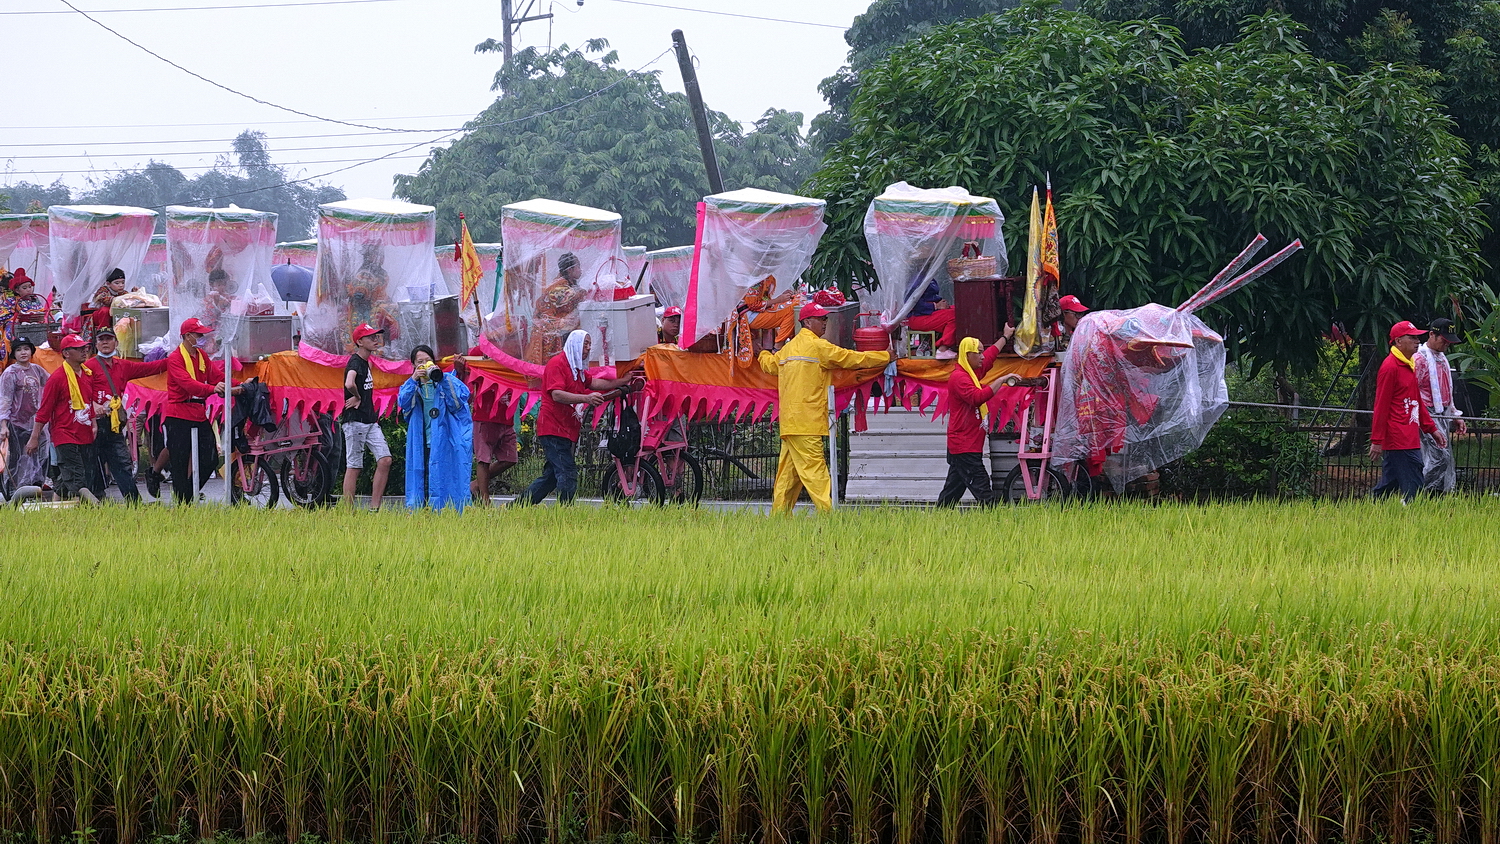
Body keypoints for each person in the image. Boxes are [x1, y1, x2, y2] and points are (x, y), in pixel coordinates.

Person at [759, 302, 894, 513]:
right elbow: (851, 359)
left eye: (825, 319)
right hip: (808, 422)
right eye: (821, 319)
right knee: (815, 471)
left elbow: (770, 364)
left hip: (790, 422)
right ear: (807, 322)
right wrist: (884, 357)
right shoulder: (818, 347)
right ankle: (828, 514)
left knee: (788, 475)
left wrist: (762, 353)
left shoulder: (789, 348)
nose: (825, 323)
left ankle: (779, 518)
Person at [517, 329, 637, 506]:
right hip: (553, 427)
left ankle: (519, 506)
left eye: (589, 344)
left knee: (551, 477)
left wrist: (622, 382)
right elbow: (557, 394)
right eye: (585, 344)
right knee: (567, 471)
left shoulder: (578, 370)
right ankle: (566, 510)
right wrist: (586, 398)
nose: (588, 348)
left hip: (565, 428)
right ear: (574, 344)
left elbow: (595, 383)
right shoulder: (557, 364)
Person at [164, 317, 242, 504]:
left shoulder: (200, 356)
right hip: (178, 415)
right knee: (180, 463)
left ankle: (188, 495)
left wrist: (240, 385)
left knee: (210, 458)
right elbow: (188, 385)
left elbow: (215, 376)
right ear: (188, 336)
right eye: (199, 334)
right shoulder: (175, 358)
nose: (202, 338)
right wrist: (212, 389)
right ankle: (183, 501)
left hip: (198, 413)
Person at [87, 328, 168, 502]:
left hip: (114, 423)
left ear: (116, 342)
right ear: (96, 344)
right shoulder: (89, 367)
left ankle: (134, 502)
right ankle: (95, 500)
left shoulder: (122, 365)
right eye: (101, 340)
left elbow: (150, 368)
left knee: (122, 462)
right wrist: (94, 406)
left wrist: (175, 360)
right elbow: (82, 392)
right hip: (95, 422)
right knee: (94, 463)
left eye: (109, 339)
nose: (105, 343)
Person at [1370, 320, 1445, 503]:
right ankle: (1412, 516)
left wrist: (1431, 429)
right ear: (1398, 342)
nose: (1417, 341)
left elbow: (1416, 401)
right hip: (1399, 438)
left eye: (1417, 337)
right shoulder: (1390, 367)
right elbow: (1381, 405)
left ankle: (1371, 511)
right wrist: (1377, 440)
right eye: (1411, 337)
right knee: (1414, 483)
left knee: (1391, 482)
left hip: (1408, 435)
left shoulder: (1408, 365)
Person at [937, 333, 1011, 507]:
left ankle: (938, 519)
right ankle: (997, 524)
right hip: (964, 444)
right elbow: (977, 397)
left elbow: (990, 357)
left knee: (952, 491)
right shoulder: (960, 378)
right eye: (979, 352)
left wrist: (1006, 337)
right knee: (982, 488)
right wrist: (1000, 380)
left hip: (965, 444)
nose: (982, 356)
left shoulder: (971, 373)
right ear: (968, 354)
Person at [27, 334, 102, 501]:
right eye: (79, 348)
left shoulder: (88, 374)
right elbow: (44, 411)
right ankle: (92, 508)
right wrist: (34, 438)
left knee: (68, 476)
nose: (84, 351)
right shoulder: (57, 378)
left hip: (84, 432)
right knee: (77, 478)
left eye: (85, 348)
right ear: (66, 353)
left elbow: (88, 402)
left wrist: (94, 423)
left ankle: (56, 512)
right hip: (65, 434)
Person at [398, 345, 473, 511]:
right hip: (422, 439)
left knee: (445, 476)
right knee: (422, 475)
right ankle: (421, 510)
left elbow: (457, 403)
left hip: (444, 439)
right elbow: (403, 403)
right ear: (413, 365)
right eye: (420, 362)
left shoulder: (446, 380)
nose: (425, 364)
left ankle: (446, 510)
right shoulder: (412, 386)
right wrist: (413, 380)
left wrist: (441, 379)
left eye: (428, 361)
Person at [454, 351, 517, 506]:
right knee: (484, 459)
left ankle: (475, 485)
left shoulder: (513, 350)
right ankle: (484, 500)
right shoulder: (477, 352)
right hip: (484, 415)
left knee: (510, 459)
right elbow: (465, 388)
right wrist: (460, 371)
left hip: (506, 416)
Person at [341, 323, 393, 510]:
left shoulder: (366, 361)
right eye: (371, 337)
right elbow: (349, 382)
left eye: (376, 336)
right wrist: (357, 396)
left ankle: (374, 508)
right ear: (359, 341)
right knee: (354, 465)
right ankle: (348, 511)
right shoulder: (355, 362)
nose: (375, 340)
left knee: (385, 459)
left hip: (370, 420)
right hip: (355, 421)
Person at [1414, 317, 1467, 494]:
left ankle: (1443, 495)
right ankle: (1416, 492)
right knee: (1439, 456)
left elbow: (1447, 390)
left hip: (1442, 412)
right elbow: (1413, 392)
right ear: (1432, 335)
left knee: (1446, 458)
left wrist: (1454, 416)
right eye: (1444, 340)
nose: (1446, 345)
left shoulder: (1442, 359)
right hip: (1427, 412)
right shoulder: (1419, 359)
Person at [0, 338, 50, 496]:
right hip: (17, 424)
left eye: (26, 349)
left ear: (31, 351)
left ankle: (35, 488)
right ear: (14, 353)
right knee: (18, 459)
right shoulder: (10, 373)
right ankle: (16, 492)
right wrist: (3, 425)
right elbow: (5, 399)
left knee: (40, 456)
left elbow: (51, 384)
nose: (23, 352)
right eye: (19, 349)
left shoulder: (37, 370)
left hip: (36, 423)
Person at [524, 251, 587, 362]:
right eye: (578, 266)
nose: (580, 270)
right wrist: (589, 292)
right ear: (569, 270)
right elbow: (573, 296)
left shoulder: (568, 284)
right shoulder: (558, 287)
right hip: (547, 328)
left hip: (555, 325)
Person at [732, 277, 798, 366]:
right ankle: (778, 347)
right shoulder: (753, 277)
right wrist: (778, 300)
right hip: (749, 315)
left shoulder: (764, 276)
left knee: (795, 302)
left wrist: (781, 297)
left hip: (758, 311)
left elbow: (764, 299)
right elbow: (752, 305)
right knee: (792, 308)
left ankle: (782, 344)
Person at [904, 278, 957, 358]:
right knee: (954, 315)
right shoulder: (916, 279)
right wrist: (935, 306)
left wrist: (942, 303)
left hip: (928, 313)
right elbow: (911, 303)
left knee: (959, 310)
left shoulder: (929, 276)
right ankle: (943, 349)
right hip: (917, 317)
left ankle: (953, 345)